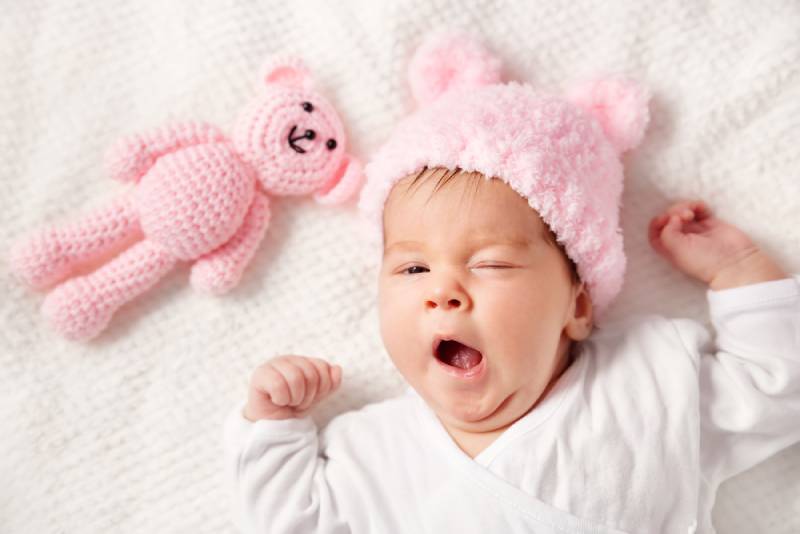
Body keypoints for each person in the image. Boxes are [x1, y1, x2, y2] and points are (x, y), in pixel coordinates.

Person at [222, 32, 799, 533]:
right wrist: (273, 427)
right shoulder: (372, 454)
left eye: (491, 264)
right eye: (412, 268)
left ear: (576, 305)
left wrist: (739, 270)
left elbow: (778, 390)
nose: (441, 292)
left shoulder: (647, 385)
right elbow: (283, 523)